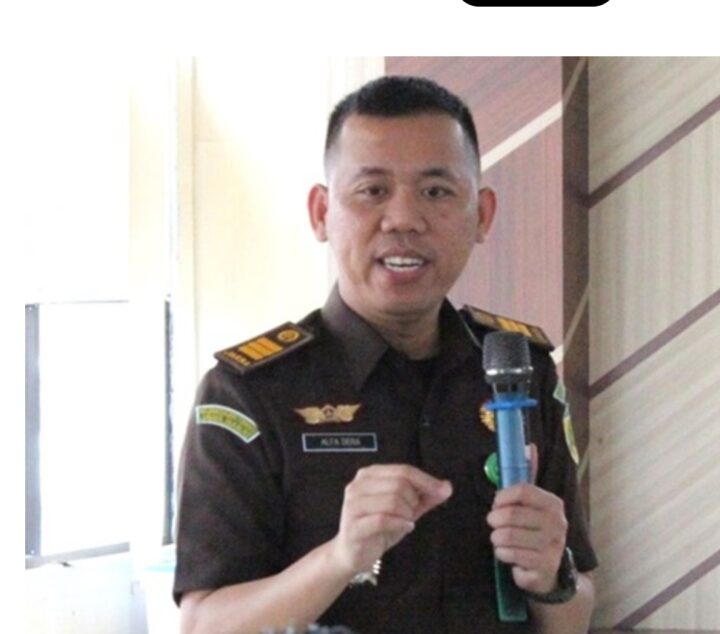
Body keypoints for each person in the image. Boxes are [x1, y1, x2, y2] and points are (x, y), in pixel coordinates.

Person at [174, 75, 597, 634]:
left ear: (482, 215)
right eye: (372, 191)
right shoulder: (248, 393)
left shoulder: (519, 370)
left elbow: (575, 614)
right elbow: (204, 624)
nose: (403, 219)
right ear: (321, 213)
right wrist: (340, 557)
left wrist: (552, 578)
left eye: (436, 191)